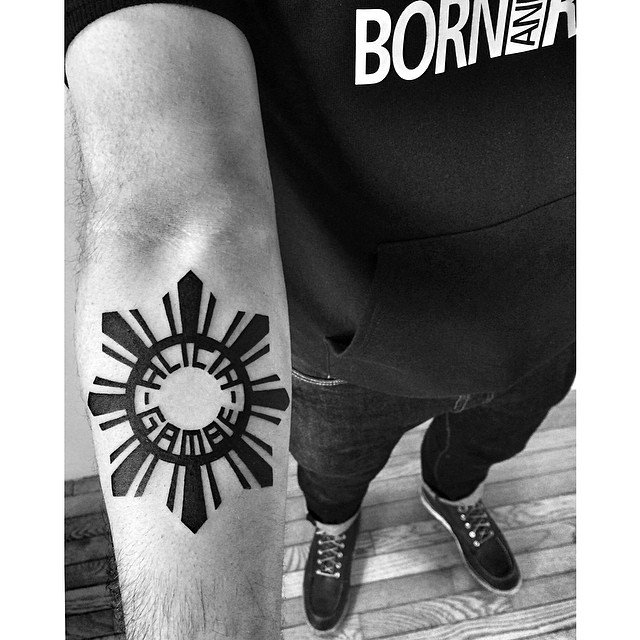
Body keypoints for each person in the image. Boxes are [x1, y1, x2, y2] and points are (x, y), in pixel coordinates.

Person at [65, 1, 576, 637]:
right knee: (333, 482)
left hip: (555, 321)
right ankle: (332, 529)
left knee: (481, 451)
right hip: (345, 358)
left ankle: (455, 496)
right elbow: (170, 224)